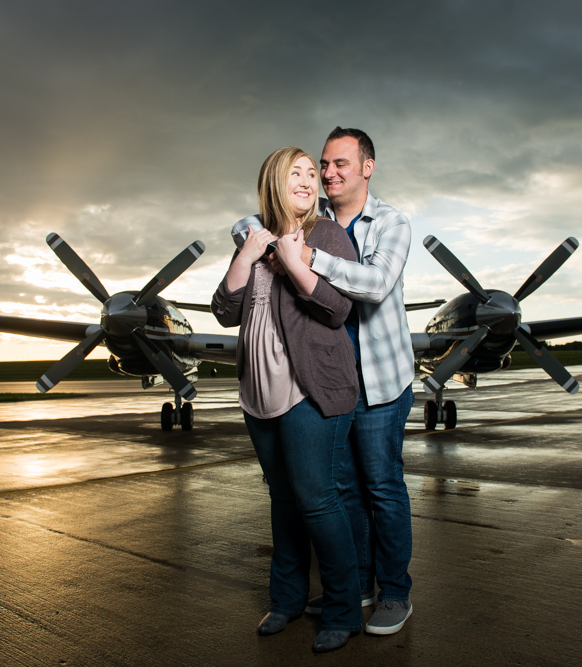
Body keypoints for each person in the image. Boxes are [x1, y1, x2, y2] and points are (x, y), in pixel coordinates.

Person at [240, 127, 417, 636]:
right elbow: (252, 223)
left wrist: (307, 258)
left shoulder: (389, 223)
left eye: (342, 163)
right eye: (324, 165)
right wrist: (258, 237)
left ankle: (395, 592)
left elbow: (378, 284)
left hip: (380, 381)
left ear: (368, 167)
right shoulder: (307, 221)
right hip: (329, 383)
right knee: (344, 489)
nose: (330, 173)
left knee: (382, 486)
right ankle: (356, 586)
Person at [211, 147, 362, 654]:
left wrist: (295, 264)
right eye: (294, 173)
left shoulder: (325, 235)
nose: (307, 180)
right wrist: (247, 256)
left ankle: (343, 610)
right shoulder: (254, 239)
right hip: (257, 394)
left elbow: (339, 308)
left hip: (307, 388)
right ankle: (286, 600)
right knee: (282, 499)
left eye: (310, 173)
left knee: (317, 499)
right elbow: (223, 311)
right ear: (273, 182)